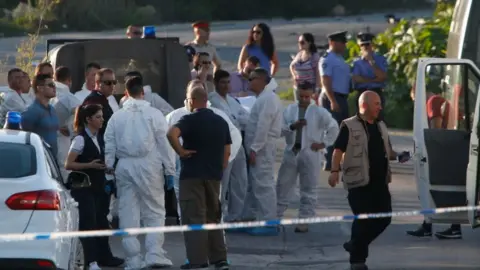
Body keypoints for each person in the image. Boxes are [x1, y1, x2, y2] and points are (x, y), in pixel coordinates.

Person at [328, 91, 407, 270]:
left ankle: (355, 244)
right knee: (362, 220)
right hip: (359, 182)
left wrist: (399, 155)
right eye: (377, 104)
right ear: (365, 105)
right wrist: (334, 171)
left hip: (380, 182)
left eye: (380, 104)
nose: (380, 107)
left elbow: (388, 151)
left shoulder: (381, 126)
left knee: (384, 218)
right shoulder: (349, 125)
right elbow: (338, 150)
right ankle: (357, 261)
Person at [104, 77, 174, 269]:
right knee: (154, 210)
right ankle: (154, 253)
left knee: (128, 211)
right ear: (143, 92)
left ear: (125, 93)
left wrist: (109, 175)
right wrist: (170, 171)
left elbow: (109, 146)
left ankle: (133, 259)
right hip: (149, 166)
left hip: (124, 167)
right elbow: (164, 145)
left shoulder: (116, 117)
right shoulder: (155, 114)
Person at [167, 85, 230, 270]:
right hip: (213, 176)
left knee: (194, 218)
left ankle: (198, 261)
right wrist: (220, 166)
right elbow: (227, 151)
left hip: (192, 177)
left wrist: (181, 151)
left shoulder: (189, 119)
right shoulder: (220, 121)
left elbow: (171, 133)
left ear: (193, 101)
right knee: (213, 217)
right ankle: (220, 259)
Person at [65, 104, 124, 270]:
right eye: (98, 117)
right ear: (88, 119)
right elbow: (68, 164)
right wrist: (89, 165)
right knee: (88, 223)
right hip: (84, 189)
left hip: (98, 187)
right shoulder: (80, 139)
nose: (101, 120)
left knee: (101, 221)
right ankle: (90, 261)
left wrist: (106, 168)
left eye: (101, 116)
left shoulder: (99, 138)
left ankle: (104, 257)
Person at [276, 82, 339, 233]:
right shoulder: (290, 110)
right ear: (296, 93)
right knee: (282, 187)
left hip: (311, 153)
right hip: (292, 151)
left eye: (306, 96)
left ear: (312, 95)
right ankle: (275, 218)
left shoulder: (319, 112)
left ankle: (304, 220)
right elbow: (279, 129)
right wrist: (293, 126)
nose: (304, 99)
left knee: (309, 188)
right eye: (301, 96)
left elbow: (334, 127)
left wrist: (323, 143)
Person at [406, 87, 462, 239]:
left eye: (416, 100)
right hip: (451, 147)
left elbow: (435, 130)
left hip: (443, 150)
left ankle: (446, 227)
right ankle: (431, 225)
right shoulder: (438, 100)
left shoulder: (432, 102)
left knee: (430, 187)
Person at [242, 68, 283, 236]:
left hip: (262, 149)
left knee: (264, 185)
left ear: (260, 79)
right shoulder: (265, 98)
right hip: (260, 148)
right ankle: (257, 219)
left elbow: (263, 126)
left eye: (252, 79)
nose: (249, 82)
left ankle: (269, 222)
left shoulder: (268, 98)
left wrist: (255, 148)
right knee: (256, 185)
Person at [208, 70, 249, 222]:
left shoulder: (231, 100)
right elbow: (227, 121)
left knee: (240, 180)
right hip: (223, 145)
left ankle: (235, 216)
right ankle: (218, 215)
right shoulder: (213, 100)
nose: (226, 85)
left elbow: (245, 118)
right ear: (216, 83)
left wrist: (236, 119)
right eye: (222, 82)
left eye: (228, 82)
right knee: (223, 182)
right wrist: (237, 119)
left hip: (238, 144)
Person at [319, 30, 351, 171]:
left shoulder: (339, 58)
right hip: (332, 97)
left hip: (341, 97)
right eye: (342, 42)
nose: (344, 45)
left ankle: (337, 160)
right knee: (333, 129)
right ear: (332, 43)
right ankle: (330, 161)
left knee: (341, 130)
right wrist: (332, 100)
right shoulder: (327, 59)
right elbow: (325, 80)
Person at [51, 66, 82, 180]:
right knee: (64, 169)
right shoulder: (69, 97)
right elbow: (81, 112)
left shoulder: (50, 94)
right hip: (63, 138)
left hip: (48, 136)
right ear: (69, 80)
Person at [351, 32, 388, 120]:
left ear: (372, 45)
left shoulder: (380, 59)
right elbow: (357, 78)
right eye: (362, 45)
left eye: (367, 44)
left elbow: (382, 76)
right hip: (362, 92)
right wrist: (373, 80)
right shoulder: (357, 62)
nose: (365, 47)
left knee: (377, 119)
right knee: (362, 120)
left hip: (376, 92)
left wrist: (371, 62)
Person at [21, 74, 59, 157]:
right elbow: (23, 138)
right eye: (51, 85)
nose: (54, 88)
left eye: (54, 85)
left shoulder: (52, 109)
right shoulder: (31, 112)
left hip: (52, 160)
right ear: (40, 88)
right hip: (38, 158)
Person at [290, 33, 321, 103]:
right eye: (299, 42)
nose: (299, 44)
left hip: (309, 89)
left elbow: (317, 73)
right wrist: (294, 76)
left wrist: (316, 90)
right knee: (298, 108)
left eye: (302, 42)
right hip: (298, 87)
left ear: (309, 43)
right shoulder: (299, 54)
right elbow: (291, 66)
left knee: (309, 110)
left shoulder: (314, 56)